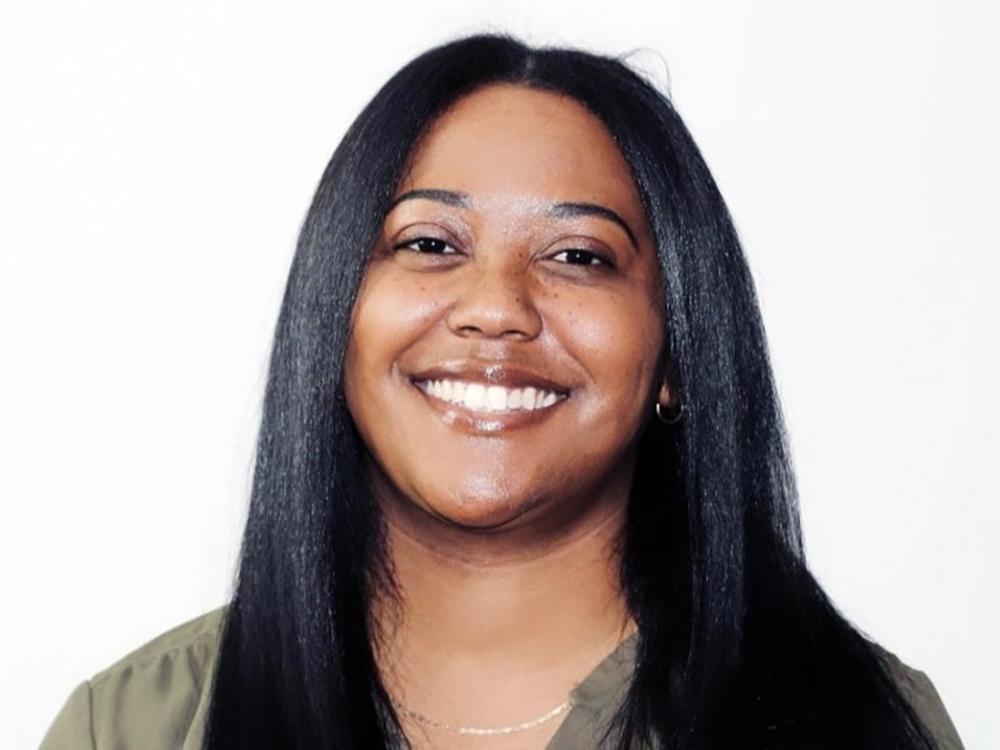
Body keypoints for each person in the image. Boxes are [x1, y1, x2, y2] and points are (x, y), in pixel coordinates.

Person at [40, 33, 964, 750]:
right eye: (430, 244)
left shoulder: (863, 723)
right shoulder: (137, 726)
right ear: (336, 316)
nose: (494, 310)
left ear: (677, 353)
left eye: (577, 256)